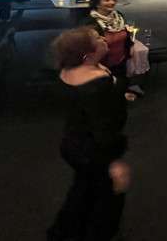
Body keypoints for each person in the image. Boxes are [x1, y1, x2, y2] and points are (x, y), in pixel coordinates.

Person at [47, 28, 131, 241]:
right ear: (87, 55)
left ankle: (63, 232)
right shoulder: (98, 83)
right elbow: (104, 128)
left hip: (72, 144)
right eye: (97, 39)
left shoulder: (67, 71)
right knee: (108, 201)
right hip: (95, 151)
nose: (103, 38)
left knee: (83, 189)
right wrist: (114, 163)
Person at [83, 0, 138, 97]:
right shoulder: (90, 22)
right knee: (105, 93)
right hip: (101, 64)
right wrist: (97, 64)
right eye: (107, 0)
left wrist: (130, 46)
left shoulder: (119, 17)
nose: (112, 2)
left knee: (121, 86)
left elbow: (126, 34)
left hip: (120, 61)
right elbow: (85, 48)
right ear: (97, 4)